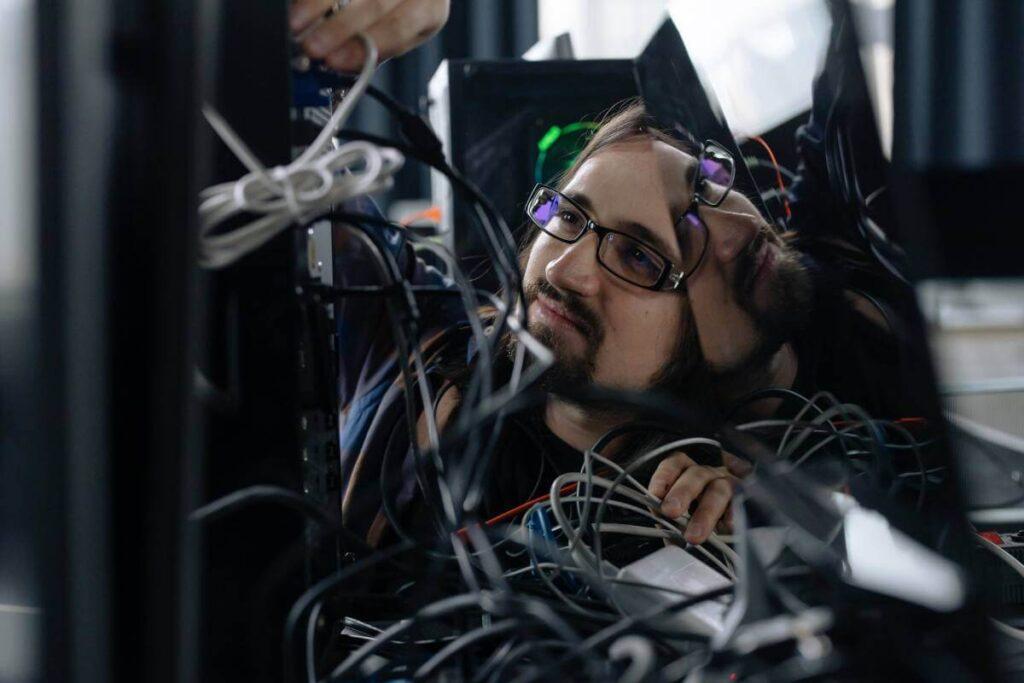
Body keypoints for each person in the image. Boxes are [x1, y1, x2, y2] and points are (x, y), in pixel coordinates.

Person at [295, 3, 923, 549]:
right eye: (569, 215)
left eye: (642, 257)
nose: (564, 271)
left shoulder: (700, 514)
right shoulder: (413, 338)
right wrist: (322, 51)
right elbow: (267, 160)